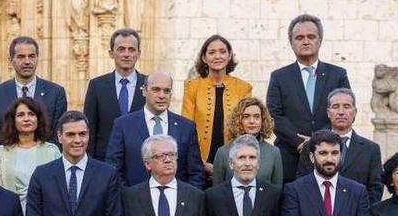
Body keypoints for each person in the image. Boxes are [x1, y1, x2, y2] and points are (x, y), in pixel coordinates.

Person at [267, 14, 350, 182]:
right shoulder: (279, 77)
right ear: (291, 43)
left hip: (329, 155)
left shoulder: (338, 75)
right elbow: (274, 115)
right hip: (289, 157)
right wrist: (300, 143)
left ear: (320, 41)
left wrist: (317, 140)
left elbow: (344, 109)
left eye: (311, 37)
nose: (305, 41)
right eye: (299, 37)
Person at [106, 70, 203, 188]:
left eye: (166, 91)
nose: (162, 95)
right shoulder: (123, 125)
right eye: (156, 90)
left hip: (176, 203)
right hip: (133, 202)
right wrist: (128, 198)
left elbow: (196, 173)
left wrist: (187, 201)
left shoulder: (186, 127)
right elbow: (113, 169)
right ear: (144, 91)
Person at [181, 35, 252, 185]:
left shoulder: (243, 88)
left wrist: (224, 164)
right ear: (204, 58)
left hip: (233, 164)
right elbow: (186, 127)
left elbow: (245, 129)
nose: (217, 56)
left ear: (229, 55)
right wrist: (201, 162)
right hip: (198, 164)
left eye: (222, 51)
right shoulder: (192, 86)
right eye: (212, 52)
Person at [296, 88, 383, 203]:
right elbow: (302, 185)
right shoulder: (310, 147)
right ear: (328, 113)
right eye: (336, 106)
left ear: (355, 112)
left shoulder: (371, 149)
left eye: (346, 106)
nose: (341, 112)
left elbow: (375, 190)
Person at [0, 36, 68, 150]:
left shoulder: (56, 93)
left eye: (31, 56)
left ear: (37, 58)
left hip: (46, 162)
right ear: (11, 60)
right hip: (8, 162)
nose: (27, 61)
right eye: (21, 57)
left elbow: (58, 134)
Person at [83, 28, 146, 162]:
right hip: (105, 161)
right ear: (111, 53)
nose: (126, 54)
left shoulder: (150, 85)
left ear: (139, 53)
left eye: (131, 49)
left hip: (142, 162)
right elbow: (90, 128)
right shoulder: (97, 86)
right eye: (121, 49)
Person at [213, 97, 284, 186]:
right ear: (238, 120)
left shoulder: (273, 153)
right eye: (246, 117)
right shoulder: (223, 152)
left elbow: (277, 192)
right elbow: (217, 192)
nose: (252, 121)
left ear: (263, 120)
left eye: (257, 116)